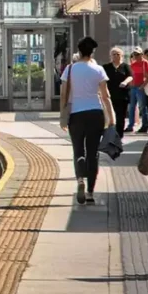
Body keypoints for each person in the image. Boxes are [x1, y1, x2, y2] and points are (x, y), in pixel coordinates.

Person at [60, 37, 114, 205]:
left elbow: (63, 94)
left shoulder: (70, 69)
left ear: (79, 51)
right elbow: (105, 96)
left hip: (76, 115)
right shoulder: (98, 69)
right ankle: (90, 192)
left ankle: (80, 180)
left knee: (78, 151)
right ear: (92, 52)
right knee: (93, 153)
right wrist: (111, 118)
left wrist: (62, 117)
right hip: (95, 114)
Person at [103, 47, 132, 138]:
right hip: (109, 95)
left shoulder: (125, 66)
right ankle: (110, 135)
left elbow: (130, 76)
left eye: (118, 54)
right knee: (110, 116)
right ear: (110, 56)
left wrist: (125, 82)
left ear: (122, 56)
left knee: (120, 117)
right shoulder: (106, 67)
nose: (116, 56)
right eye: (114, 54)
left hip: (122, 96)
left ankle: (119, 136)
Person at [128, 48, 148, 132]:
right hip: (133, 87)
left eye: (137, 54)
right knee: (132, 107)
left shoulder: (145, 63)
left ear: (141, 54)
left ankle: (144, 125)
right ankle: (130, 125)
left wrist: (142, 86)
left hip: (140, 87)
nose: (136, 56)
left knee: (142, 107)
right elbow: (130, 75)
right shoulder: (133, 64)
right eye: (134, 54)